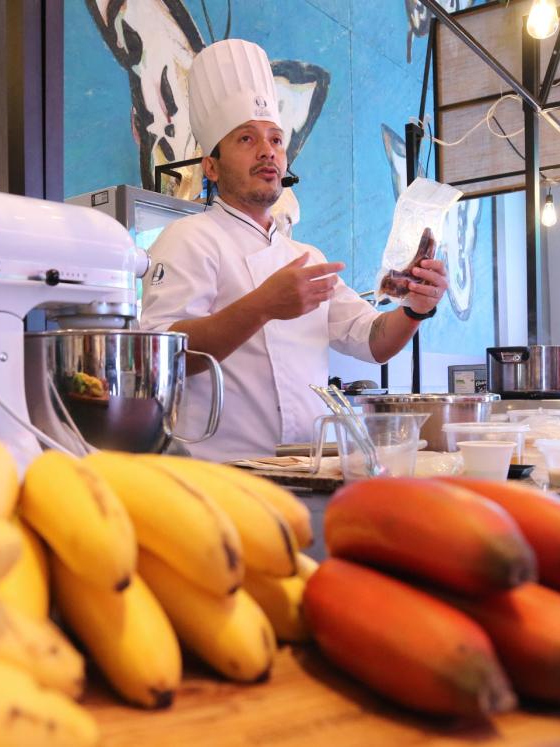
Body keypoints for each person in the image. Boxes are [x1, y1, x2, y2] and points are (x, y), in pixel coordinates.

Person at [139, 38, 449, 461]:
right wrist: (263, 305)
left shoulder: (306, 257)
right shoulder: (188, 238)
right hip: (224, 473)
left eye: (276, 140)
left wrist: (415, 308)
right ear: (210, 166)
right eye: (246, 139)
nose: (268, 150)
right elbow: (162, 356)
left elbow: (373, 341)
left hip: (309, 465)